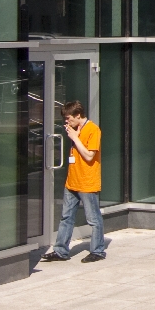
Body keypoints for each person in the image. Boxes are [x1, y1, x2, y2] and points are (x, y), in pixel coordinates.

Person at [41, 100, 106, 263]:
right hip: (72, 181)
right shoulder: (75, 129)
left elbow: (89, 156)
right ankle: (60, 251)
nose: (66, 122)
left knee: (93, 218)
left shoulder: (93, 130)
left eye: (68, 118)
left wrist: (75, 138)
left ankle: (97, 251)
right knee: (66, 217)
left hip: (87, 182)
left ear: (78, 115)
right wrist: (74, 135)